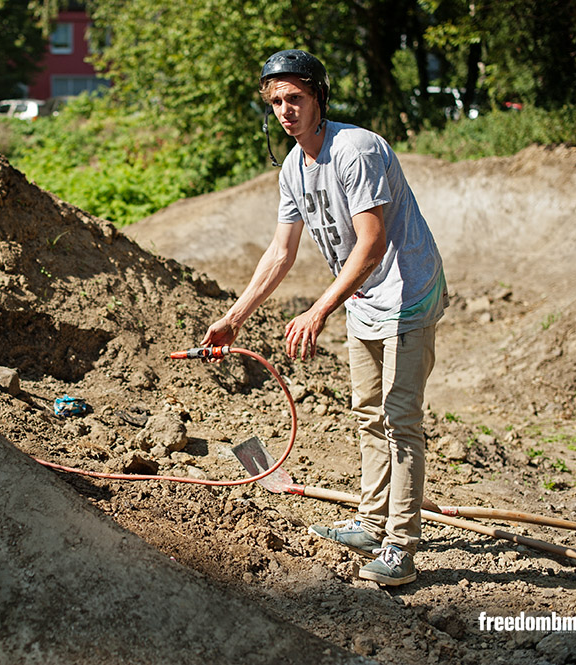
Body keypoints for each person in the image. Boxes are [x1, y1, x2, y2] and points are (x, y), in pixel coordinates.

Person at [201, 49, 448, 586]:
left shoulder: (354, 149)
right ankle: (370, 518)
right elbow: (280, 252)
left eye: (295, 98)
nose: (285, 111)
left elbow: (373, 243)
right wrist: (235, 317)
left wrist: (318, 309)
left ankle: (401, 546)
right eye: (276, 102)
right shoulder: (293, 165)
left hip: (408, 293)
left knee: (400, 419)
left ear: (318, 97)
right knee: (367, 413)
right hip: (363, 299)